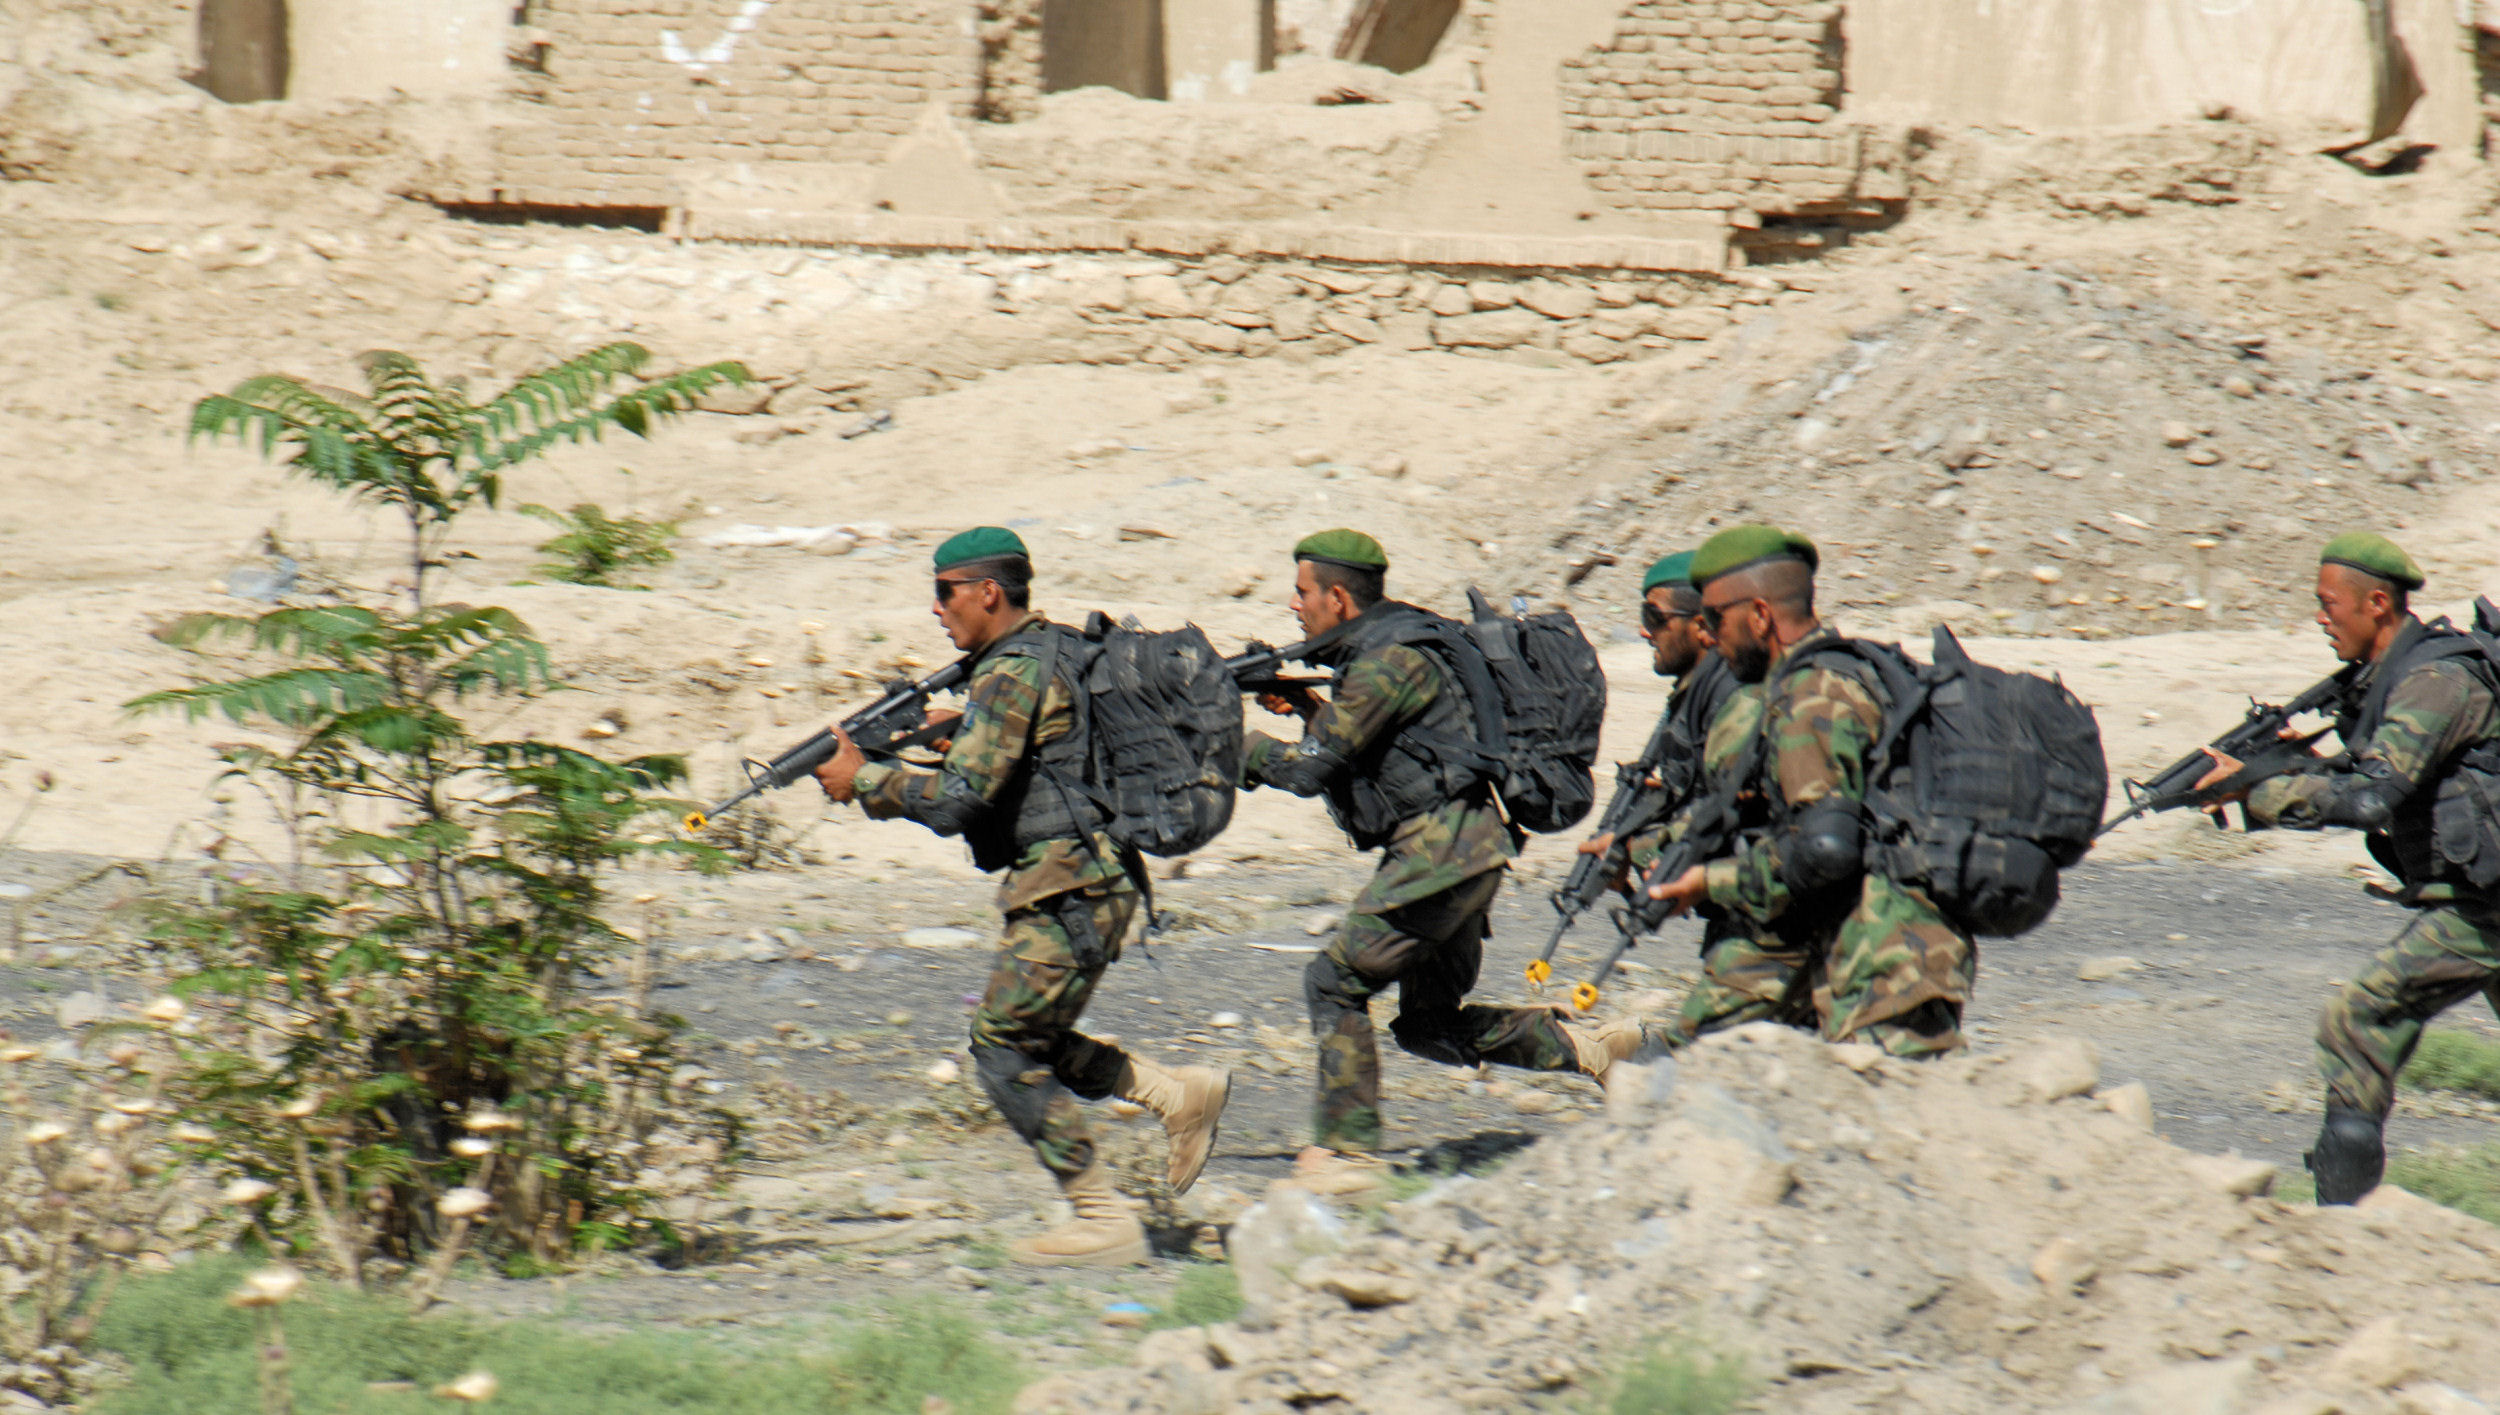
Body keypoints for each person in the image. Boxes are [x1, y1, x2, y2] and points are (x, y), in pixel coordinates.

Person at [811, 527, 1229, 1265]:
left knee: (1003, 1044)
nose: (937, 608)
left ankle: (1103, 1219)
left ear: (986, 593)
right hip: (1086, 877)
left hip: (1071, 883)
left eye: (945, 591)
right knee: (1028, 1034)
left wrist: (866, 781)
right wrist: (952, 732)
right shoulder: (1055, 648)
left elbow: (959, 803)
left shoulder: (1008, 672)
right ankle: (1176, 1095)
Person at [1241, 529, 1623, 1194]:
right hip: (1467, 851)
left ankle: (1349, 1154)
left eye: (1302, 592)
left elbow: (1313, 770)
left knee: (1333, 983)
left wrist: (1235, 750)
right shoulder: (1397, 645)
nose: (1293, 605)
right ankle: (1592, 1050)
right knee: (1429, 1024)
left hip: (1441, 852)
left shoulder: (1388, 660)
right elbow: (1369, 750)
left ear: (1337, 595)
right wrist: (1304, 703)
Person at [2192, 533, 2500, 1204]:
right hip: (2483, 898)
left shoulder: (2435, 680)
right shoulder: (2396, 678)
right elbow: (2370, 773)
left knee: (2356, 1020)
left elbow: (2369, 798)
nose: (2322, 618)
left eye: (2330, 604)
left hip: (2484, 909)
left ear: (2378, 603)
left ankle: (2343, 1222)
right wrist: (2279, 769)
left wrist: (2260, 791)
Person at [1647, 524, 1976, 1056]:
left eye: (1715, 619)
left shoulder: (1811, 697)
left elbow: (1823, 852)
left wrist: (1711, 881)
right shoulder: (1846, 669)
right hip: (1879, 953)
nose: (1710, 635)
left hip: (1886, 965)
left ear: (1759, 615)